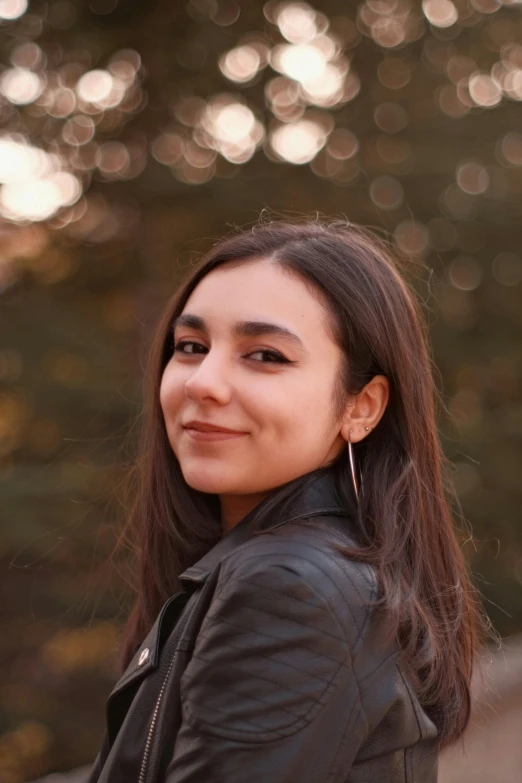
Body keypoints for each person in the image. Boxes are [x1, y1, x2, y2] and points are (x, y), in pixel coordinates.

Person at [87, 218, 484, 783]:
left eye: (266, 356)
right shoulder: (293, 567)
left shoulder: (291, 589)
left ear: (362, 407)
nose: (204, 382)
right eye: (192, 346)